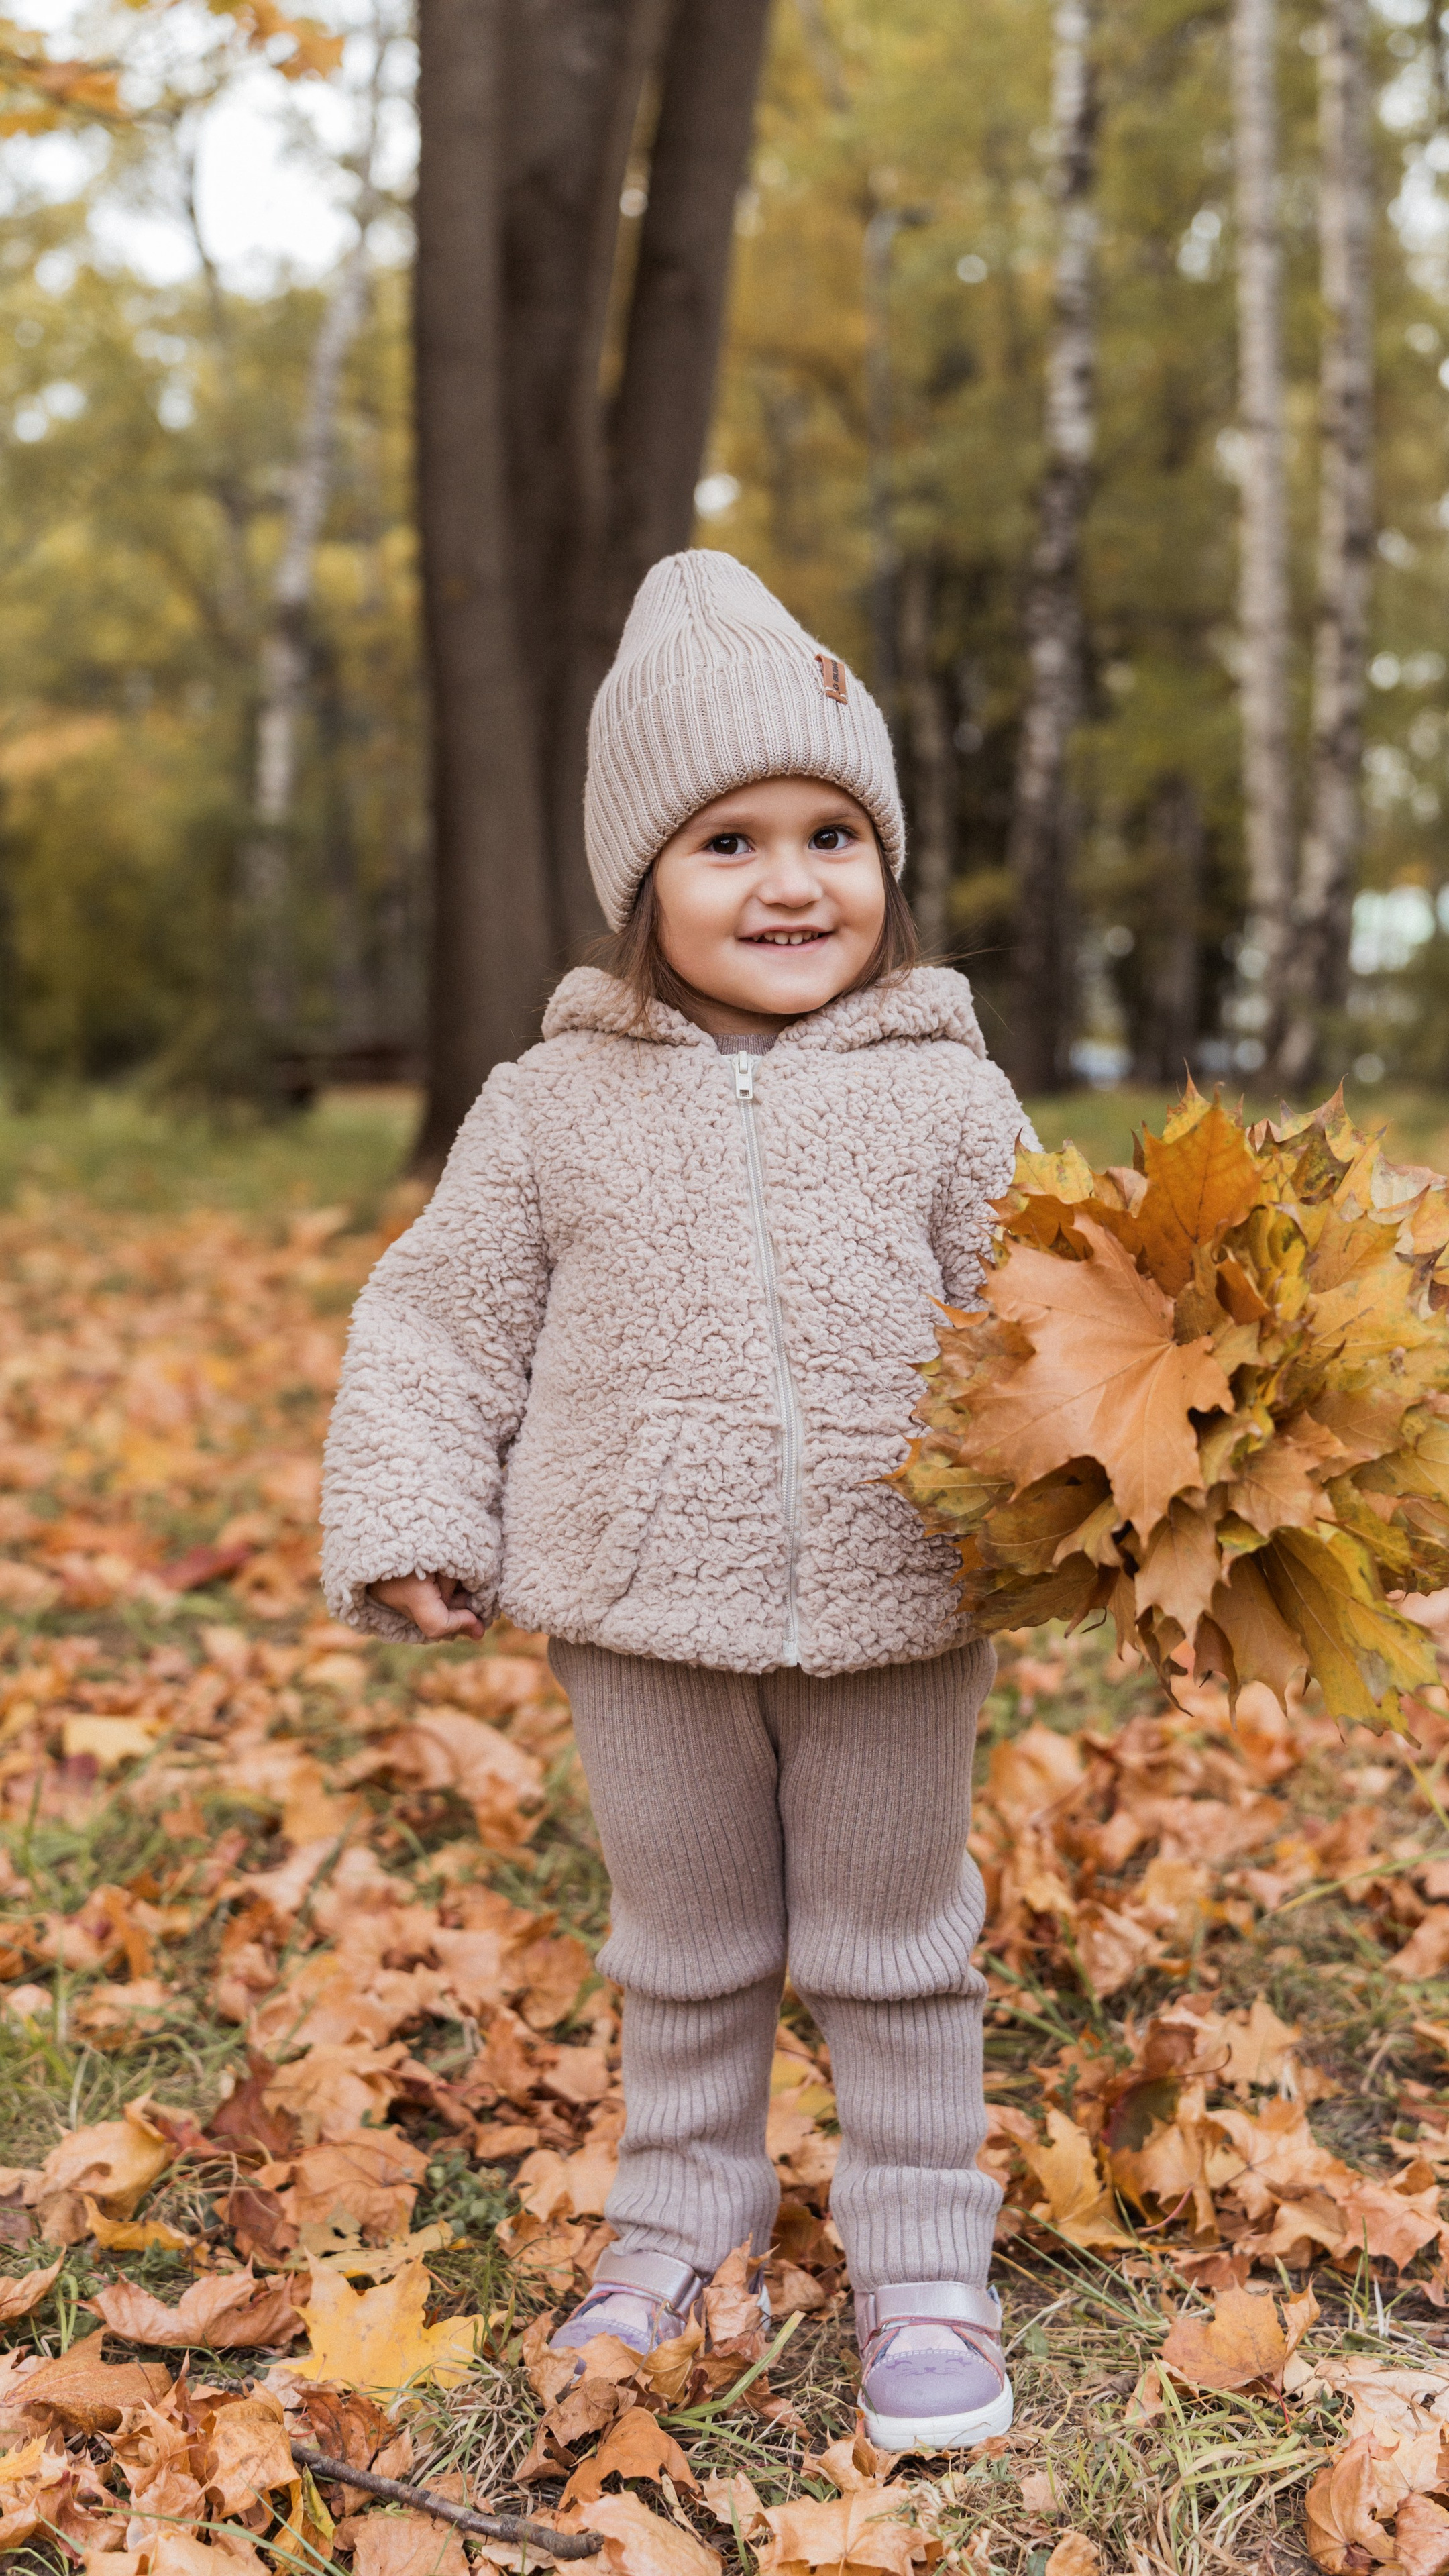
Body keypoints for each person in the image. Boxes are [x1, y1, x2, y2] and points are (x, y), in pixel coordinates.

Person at [320, 550, 1033, 2453]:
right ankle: (677, 2228)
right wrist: (414, 1514)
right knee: (686, 1945)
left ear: (885, 862)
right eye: (730, 843)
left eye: (831, 836)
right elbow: (443, 1317)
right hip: (639, 1604)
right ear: (644, 880)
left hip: (897, 1601)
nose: (792, 883)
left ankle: (922, 2261)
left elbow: (1057, 1323)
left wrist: (1123, 1489)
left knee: (897, 1944)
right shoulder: (553, 1104)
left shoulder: (948, 1097)